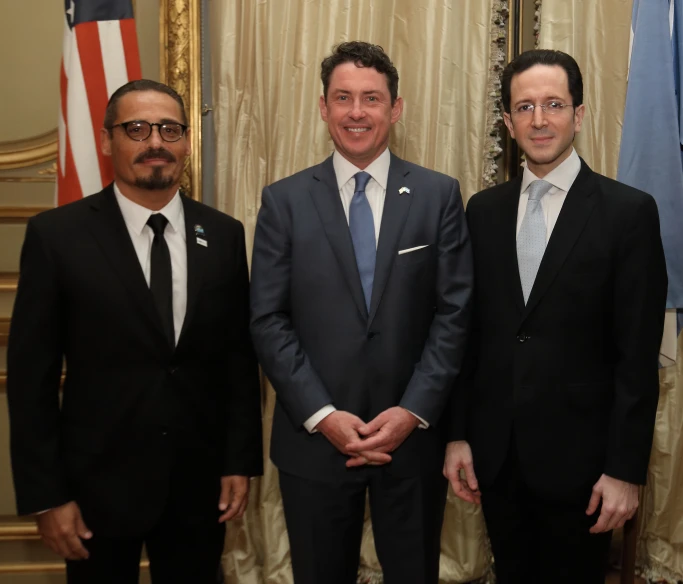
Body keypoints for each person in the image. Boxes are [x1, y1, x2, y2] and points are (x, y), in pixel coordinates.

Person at [6, 79, 262, 584]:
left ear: (186, 141)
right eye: (137, 128)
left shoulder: (226, 235)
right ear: (107, 140)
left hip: (198, 488)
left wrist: (239, 462)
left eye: (170, 129)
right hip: (95, 491)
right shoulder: (57, 237)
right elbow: (30, 379)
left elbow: (236, 359)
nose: (155, 143)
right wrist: (47, 495)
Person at [250, 41, 473, 584]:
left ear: (395, 108)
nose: (356, 112)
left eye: (371, 98)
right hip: (315, 444)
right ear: (323, 107)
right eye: (343, 97)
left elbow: (455, 312)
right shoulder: (284, 201)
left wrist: (411, 411)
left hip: (412, 439)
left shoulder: (437, 195)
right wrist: (323, 416)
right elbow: (268, 320)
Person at [444, 49, 668, 583]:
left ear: (580, 114)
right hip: (496, 462)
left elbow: (636, 357)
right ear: (507, 120)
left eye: (553, 105)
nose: (539, 120)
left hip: (586, 471)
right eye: (524, 107)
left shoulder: (628, 213)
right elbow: (467, 336)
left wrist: (625, 470)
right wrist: (457, 436)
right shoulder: (483, 211)